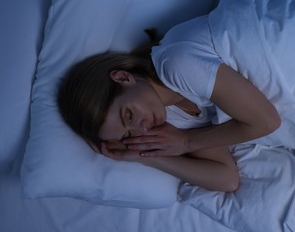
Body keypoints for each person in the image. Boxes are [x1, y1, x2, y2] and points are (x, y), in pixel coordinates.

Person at [58, 16, 280, 192]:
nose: (143, 129)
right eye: (127, 136)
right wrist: (145, 158)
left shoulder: (176, 64)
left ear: (123, 78)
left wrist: (187, 143)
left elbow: (267, 122)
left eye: (129, 116)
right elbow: (227, 179)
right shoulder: (171, 117)